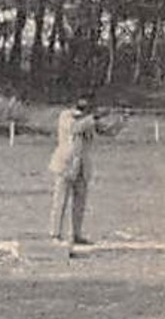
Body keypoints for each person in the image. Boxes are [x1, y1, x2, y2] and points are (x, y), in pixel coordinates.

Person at [49, 94, 120, 246]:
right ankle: (55, 234)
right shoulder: (66, 116)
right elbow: (76, 128)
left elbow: (109, 132)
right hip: (65, 163)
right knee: (60, 201)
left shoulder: (89, 119)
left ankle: (76, 234)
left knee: (80, 203)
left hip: (82, 165)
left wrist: (122, 120)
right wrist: (96, 116)